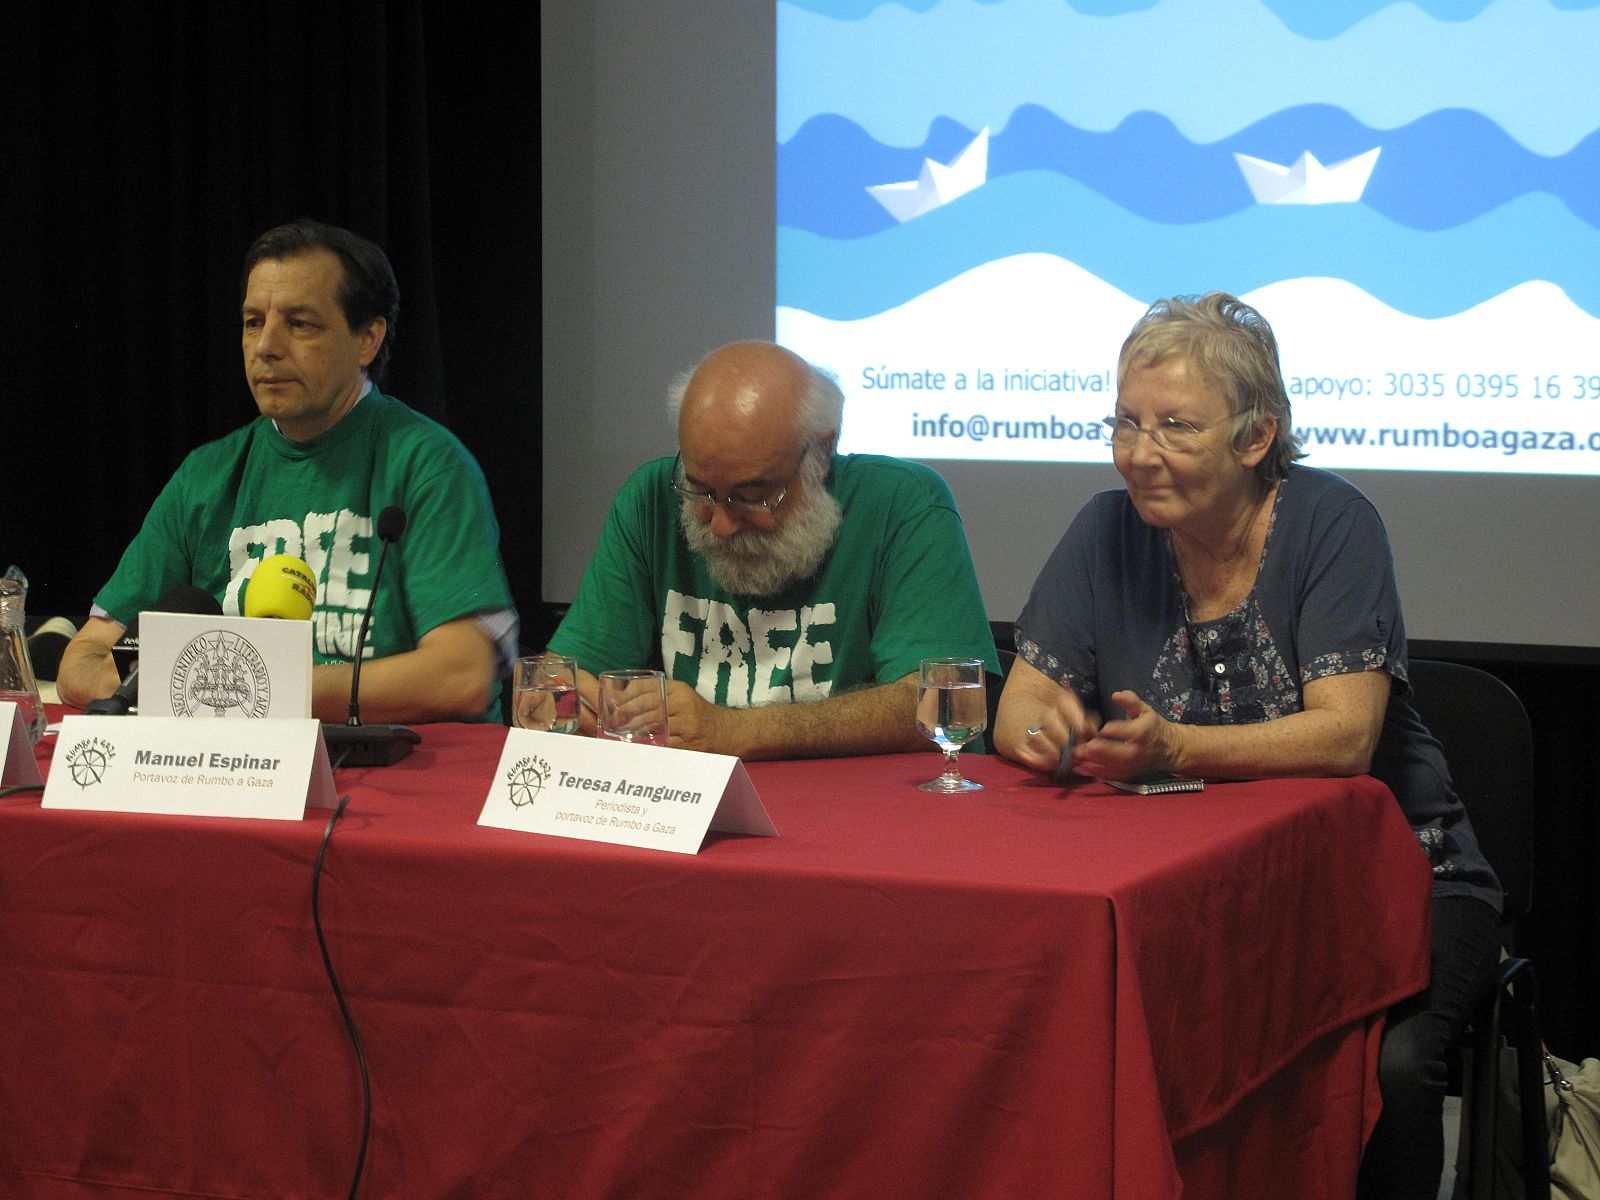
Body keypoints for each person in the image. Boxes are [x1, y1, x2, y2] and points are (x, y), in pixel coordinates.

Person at [993, 293, 1502, 1200]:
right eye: (1125, 422)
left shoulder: (1333, 523)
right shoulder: (1102, 529)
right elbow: (1017, 708)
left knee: (1392, 1069)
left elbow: (1346, 736)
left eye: (1175, 427)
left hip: (1393, 876)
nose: (1138, 454)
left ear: (1258, 436)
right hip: (1198, 892)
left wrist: (1174, 749)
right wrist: (1051, 736)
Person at [57, 219, 516, 724]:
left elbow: (462, 675)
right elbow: (82, 664)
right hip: (233, 776)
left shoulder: (428, 462)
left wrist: (249, 690)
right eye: (253, 322)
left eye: (300, 323)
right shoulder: (205, 476)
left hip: (392, 779)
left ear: (367, 339)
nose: (266, 346)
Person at [547, 340, 998, 759]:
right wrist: (568, 702)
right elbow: (562, 676)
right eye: (700, 490)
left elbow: (944, 699)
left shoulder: (903, 502)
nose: (720, 525)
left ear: (821, 453)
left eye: (750, 496)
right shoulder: (648, 498)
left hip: (862, 818)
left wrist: (734, 731)